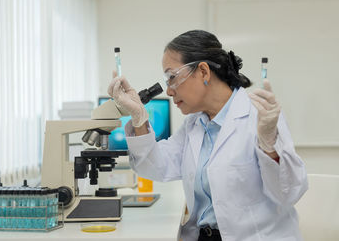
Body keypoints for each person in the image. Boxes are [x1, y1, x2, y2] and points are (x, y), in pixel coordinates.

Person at [108, 30, 308, 241]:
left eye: (172, 78)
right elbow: (155, 165)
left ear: (203, 71)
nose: (168, 91)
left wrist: (270, 147)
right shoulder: (194, 125)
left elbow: (289, 193)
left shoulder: (259, 116)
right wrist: (139, 117)